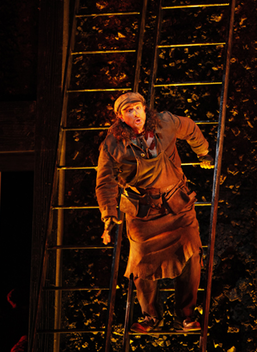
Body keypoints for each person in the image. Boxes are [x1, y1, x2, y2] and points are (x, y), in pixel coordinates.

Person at [96, 92, 214, 333]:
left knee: (192, 254)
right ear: (120, 117)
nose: (135, 114)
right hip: (142, 211)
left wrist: (203, 152)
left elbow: (190, 128)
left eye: (138, 108)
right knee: (141, 264)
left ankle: (186, 315)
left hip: (176, 205)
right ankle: (151, 316)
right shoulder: (112, 144)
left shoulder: (164, 123)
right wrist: (108, 214)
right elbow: (105, 180)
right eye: (129, 111)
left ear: (144, 109)